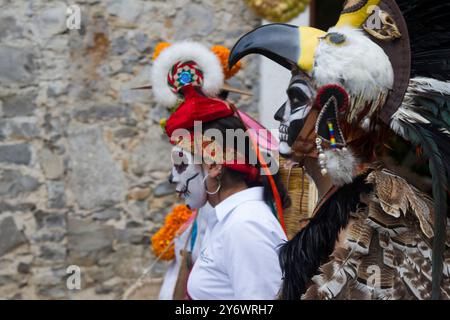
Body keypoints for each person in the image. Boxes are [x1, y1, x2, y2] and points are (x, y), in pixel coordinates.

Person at [229, 0, 450, 299]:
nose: (280, 114)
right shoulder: (341, 202)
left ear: (331, 119)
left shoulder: (375, 220)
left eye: (296, 99)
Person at [150, 41, 290, 299]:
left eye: (181, 164)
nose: (172, 178)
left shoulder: (246, 226)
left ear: (214, 165)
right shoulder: (228, 219)